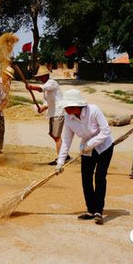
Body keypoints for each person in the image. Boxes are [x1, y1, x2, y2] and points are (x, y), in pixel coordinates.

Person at [55, 89, 114, 225]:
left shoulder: (94, 110)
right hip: (86, 149)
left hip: (104, 147)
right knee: (86, 178)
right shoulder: (69, 118)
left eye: (67, 107)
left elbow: (106, 130)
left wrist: (92, 144)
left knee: (99, 177)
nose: (65, 109)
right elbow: (66, 141)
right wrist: (60, 162)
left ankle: (98, 211)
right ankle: (91, 209)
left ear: (76, 106)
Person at [26, 65, 69, 165]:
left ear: (46, 75)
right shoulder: (47, 88)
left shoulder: (52, 83)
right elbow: (47, 103)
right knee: (52, 134)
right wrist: (42, 108)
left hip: (58, 112)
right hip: (53, 113)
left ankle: (61, 158)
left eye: (41, 77)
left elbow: (41, 88)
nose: (40, 79)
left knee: (56, 136)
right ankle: (64, 155)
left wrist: (31, 87)